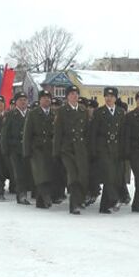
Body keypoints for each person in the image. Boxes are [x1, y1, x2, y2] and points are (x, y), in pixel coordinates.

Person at [53, 85, 90, 215]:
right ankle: (74, 205)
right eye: (72, 94)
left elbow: (86, 131)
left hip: (80, 149)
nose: (74, 96)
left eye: (76, 94)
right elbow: (58, 133)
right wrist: (56, 151)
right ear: (67, 96)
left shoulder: (83, 110)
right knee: (73, 176)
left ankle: (79, 201)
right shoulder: (62, 111)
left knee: (81, 176)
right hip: (67, 149)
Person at [91, 87, 127, 214]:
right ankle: (114, 199)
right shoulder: (99, 112)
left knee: (114, 176)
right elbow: (93, 133)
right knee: (108, 175)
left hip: (116, 148)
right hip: (103, 148)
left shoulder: (120, 112)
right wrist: (94, 150)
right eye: (107, 96)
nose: (109, 98)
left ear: (116, 98)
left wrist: (123, 150)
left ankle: (104, 207)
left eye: (111, 96)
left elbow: (123, 133)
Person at [23, 90, 57, 209]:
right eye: (44, 98)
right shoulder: (33, 114)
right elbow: (27, 134)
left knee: (48, 174)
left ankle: (40, 201)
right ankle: (46, 196)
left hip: (50, 148)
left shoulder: (54, 114)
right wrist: (26, 151)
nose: (46, 100)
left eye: (48, 98)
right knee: (40, 174)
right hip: (37, 149)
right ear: (40, 100)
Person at [1, 92, 31, 205]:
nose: (23, 102)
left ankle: (26, 193)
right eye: (20, 100)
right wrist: (5, 150)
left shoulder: (31, 114)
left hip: (27, 149)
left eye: (25, 99)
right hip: (15, 149)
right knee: (19, 173)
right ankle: (21, 195)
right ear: (16, 102)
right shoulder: (10, 115)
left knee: (27, 172)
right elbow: (4, 134)